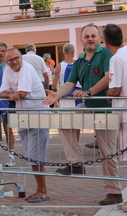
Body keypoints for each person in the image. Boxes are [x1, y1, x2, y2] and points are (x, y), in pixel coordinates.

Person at [43, 23, 122, 205]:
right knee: (63, 120)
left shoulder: (106, 54)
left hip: (106, 109)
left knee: (108, 153)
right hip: (89, 107)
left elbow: (107, 76)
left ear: (99, 38)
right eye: (86, 36)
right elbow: (70, 84)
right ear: (81, 40)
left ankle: (114, 192)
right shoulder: (79, 61)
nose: (90, 39)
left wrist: (89, 92)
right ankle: (75, 163)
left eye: (93, 36)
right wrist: (57, 94)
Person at [0, 48, 50, 203]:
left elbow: (22, 93)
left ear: (21, 57)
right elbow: (2, 92)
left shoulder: (27, 68)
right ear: (6, 62)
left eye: (16, 58)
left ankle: (42, 191)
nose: (14, 62)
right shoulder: (8, 70)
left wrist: (13, 95)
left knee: (36, 156)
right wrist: (11, 95)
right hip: (24, 117)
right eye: (10, 60)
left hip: (38, 116)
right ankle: (41, 189)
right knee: (31, 156)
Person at [103, 23, 127, 209]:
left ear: (105, 41)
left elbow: (115, 88)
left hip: (124, 113)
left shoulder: (116, 58)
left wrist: (107, 96)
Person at [52, 43, 82, 141]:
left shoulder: (59, 66)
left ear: (63, 52)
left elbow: (54, 85)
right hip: (77, 93)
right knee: (77, 121)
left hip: (64, 94)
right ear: (73, 52)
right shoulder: (78, 64)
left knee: (66, 121)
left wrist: (57, 95)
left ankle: (69, 144)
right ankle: (76, 142)